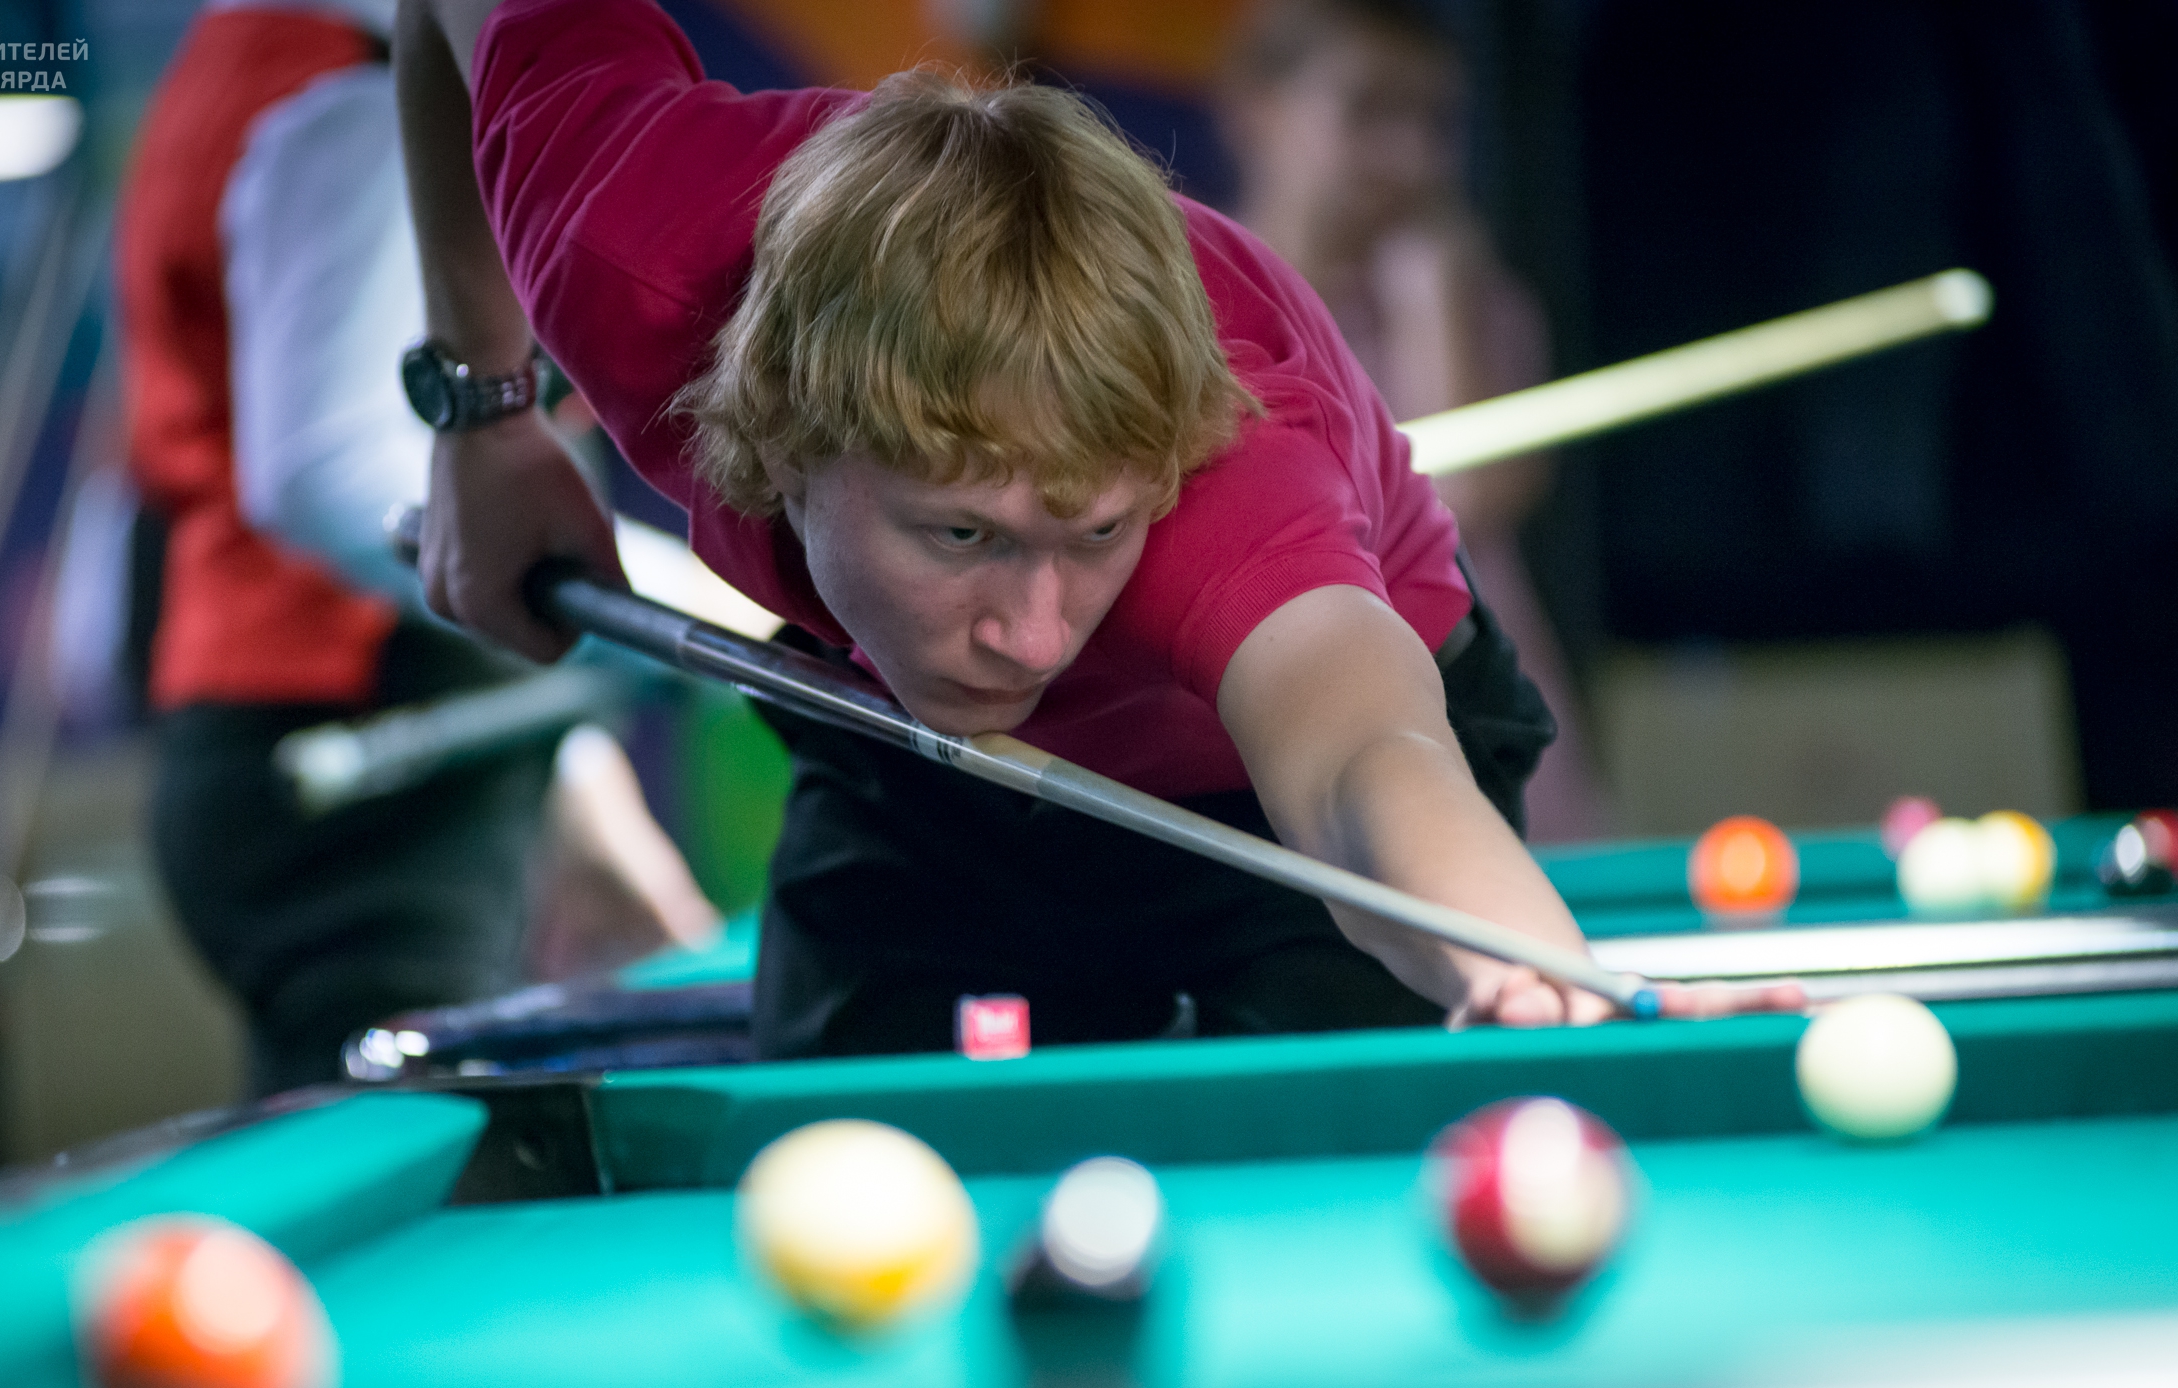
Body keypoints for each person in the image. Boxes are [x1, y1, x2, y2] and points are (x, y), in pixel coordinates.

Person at [395, 0, 1798, 1057]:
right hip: (915, 771)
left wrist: (1527, 972)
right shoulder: (629, 242)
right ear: (782, 437)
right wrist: (486, 416)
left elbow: (1363, 758)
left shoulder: (1237, 471)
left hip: (1268, 810)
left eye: (1096, 534)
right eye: (962, 537)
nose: (1035, 633)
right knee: (844, 1119)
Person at [117, 0, 707, 1092]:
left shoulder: (266, 48)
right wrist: (711, 609)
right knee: (403, 1131)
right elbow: (331, 468)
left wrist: (574, 772)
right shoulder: (353, 71)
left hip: (350, 730)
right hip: (351, 750)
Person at [1219, 0, 1609, 842]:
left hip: (1493, 740)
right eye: (1370, 110)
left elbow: (1465, 502)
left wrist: (1429, 304)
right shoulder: (1181, 312)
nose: (1411, 155)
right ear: (1256, 106)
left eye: (1435, 121)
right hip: (1285, 757)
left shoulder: (1481, 308)